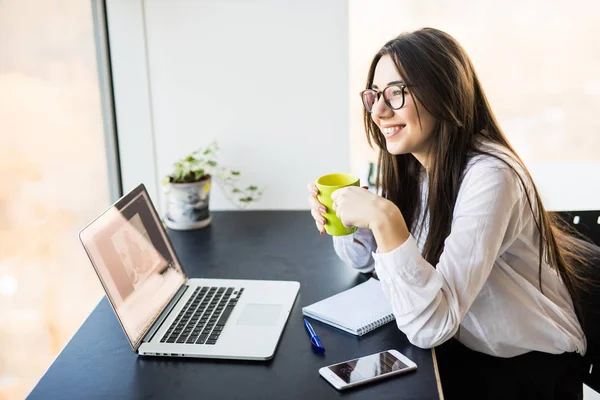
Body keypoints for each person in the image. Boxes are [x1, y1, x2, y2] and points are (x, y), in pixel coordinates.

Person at [307, 27, 591, 399]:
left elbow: (432, 325)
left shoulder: (492, 176)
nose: (377, 110)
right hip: (462, 345)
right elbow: (369, 263)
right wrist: (353, 223)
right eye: (374, 94)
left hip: (526, 369)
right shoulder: (416, 166)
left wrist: (385, 219)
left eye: (395, 93)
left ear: (443, 94)